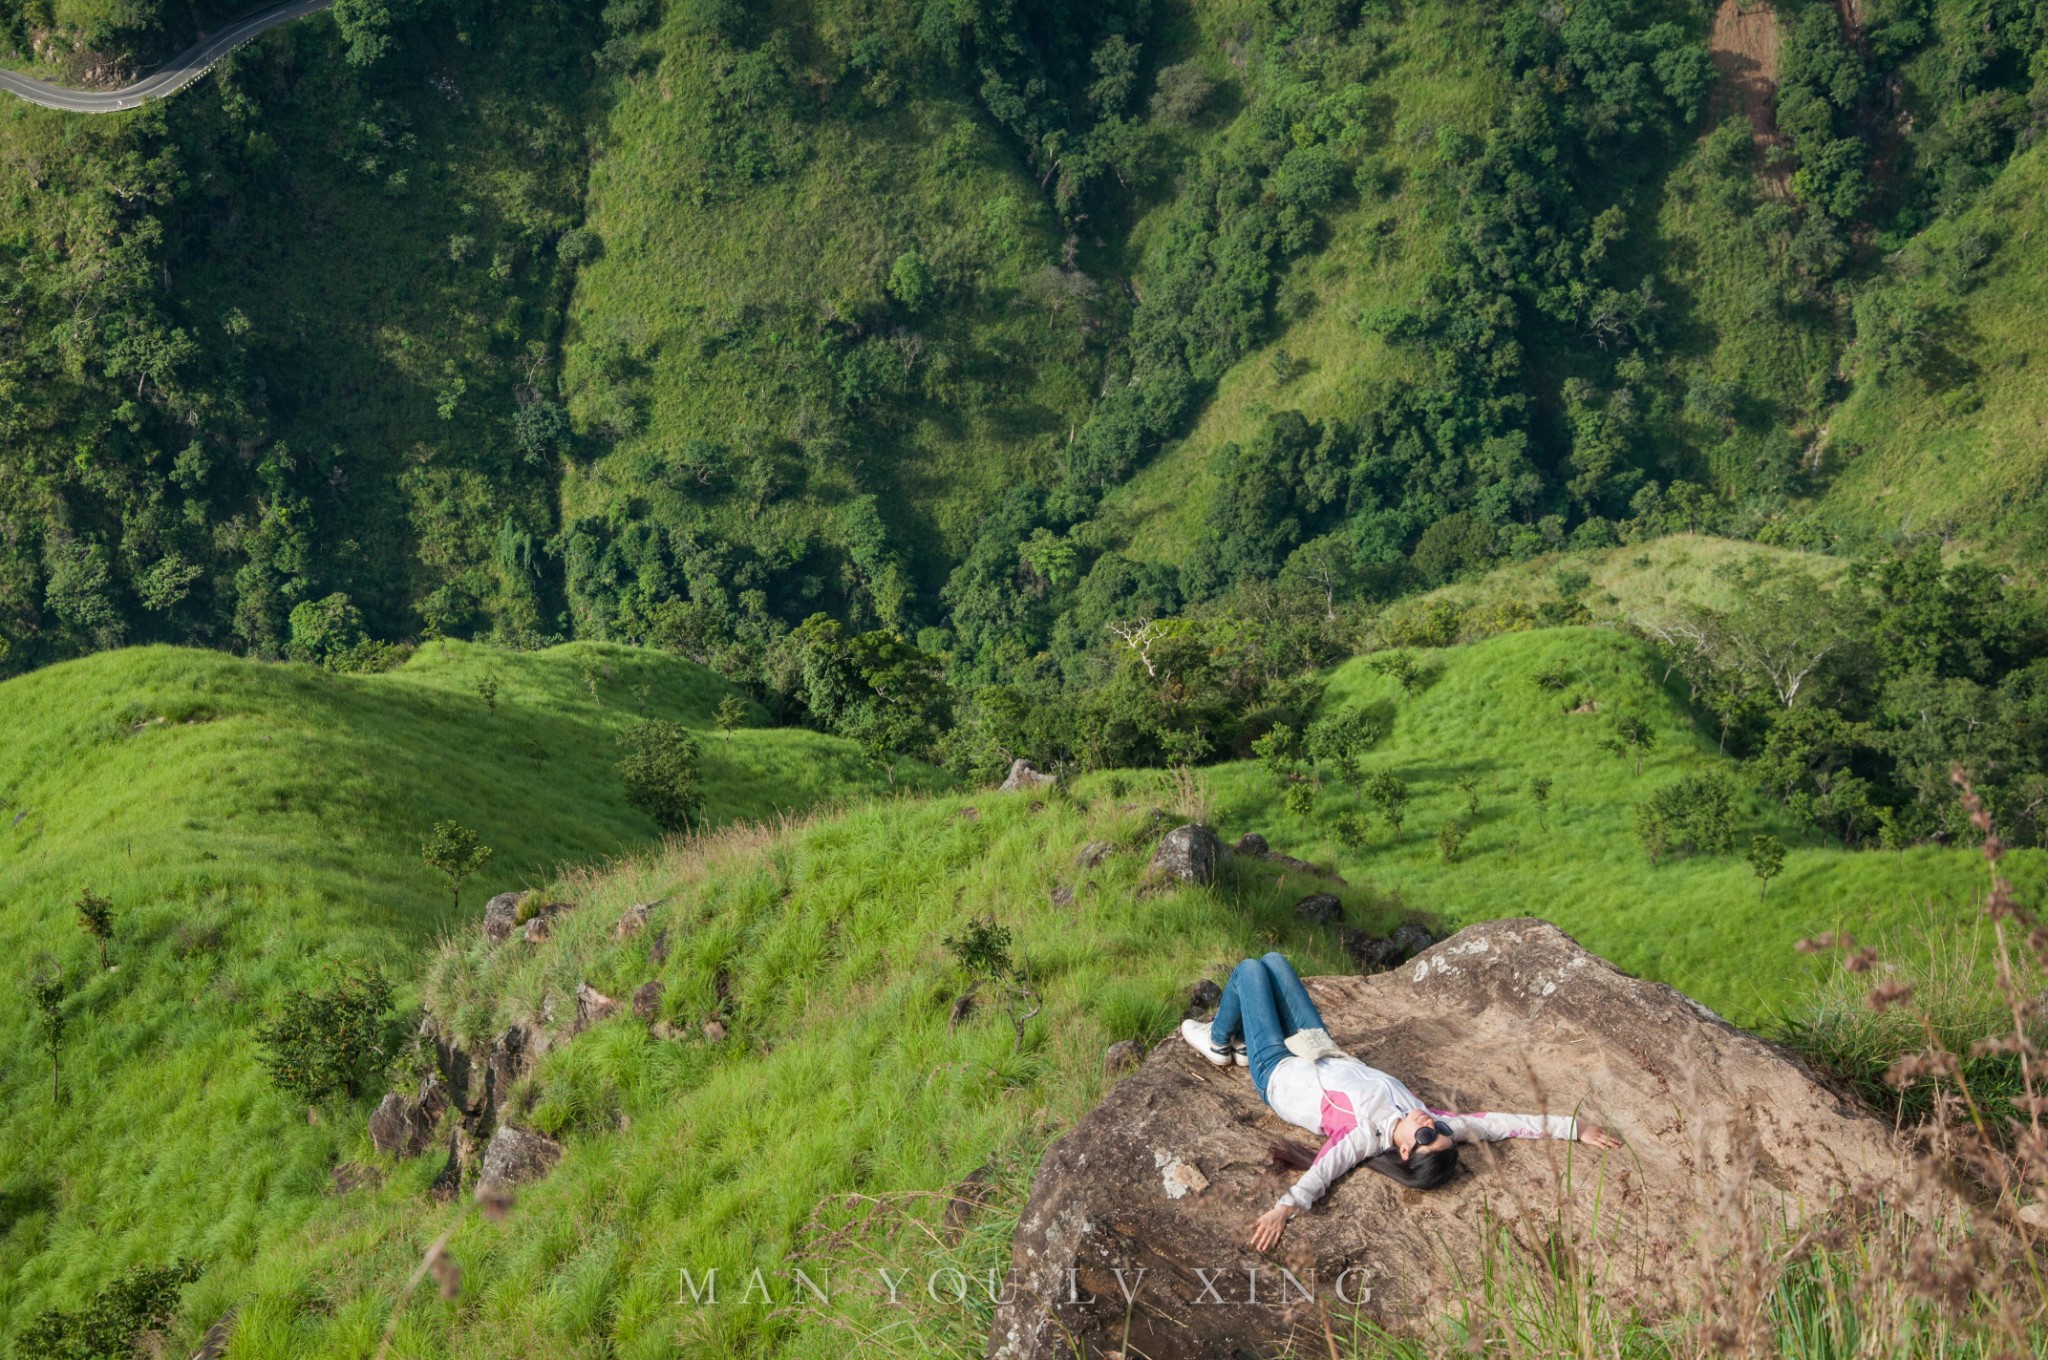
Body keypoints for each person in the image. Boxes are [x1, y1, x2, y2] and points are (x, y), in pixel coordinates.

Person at [1181, 951, 1622, 1252]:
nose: (1435, 1123)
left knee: (1250, 971)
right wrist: (1575, 1129)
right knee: (1276, 962)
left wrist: (1283, 1210)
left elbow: (1321, 1175)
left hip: (1277, 1069)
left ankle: (1220, 1041)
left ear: (1406, 1149)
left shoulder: (1362, 1137)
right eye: (1443, 1131)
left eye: (1429, 1134)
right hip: (1319, 1047)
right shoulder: (1436, 1122)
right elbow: (1502, 1124)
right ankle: (1239, 1038)